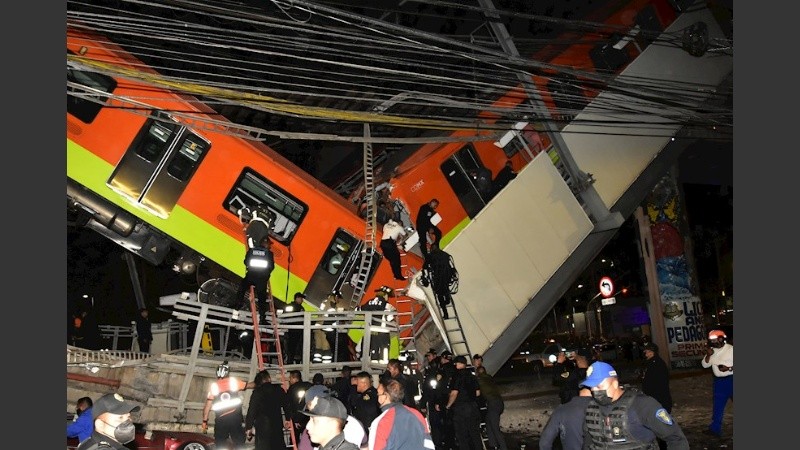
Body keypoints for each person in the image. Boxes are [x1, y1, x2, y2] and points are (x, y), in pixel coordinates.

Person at [580, 361, 689, 449]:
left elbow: (676, 439)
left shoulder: (642, 405)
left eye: (599, 386)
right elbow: (589, 441)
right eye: (591, 387)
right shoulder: (591, 408)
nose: (594, 391)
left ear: (615, 383)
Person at [202, 360, 254, 450]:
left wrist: (204, 422)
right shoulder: (233, 382)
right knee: (239, 443)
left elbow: (207, 407)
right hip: (235, 419)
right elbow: (249, 385)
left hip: (221, 421)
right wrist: (261, 383)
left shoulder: (214, 386)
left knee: (220, 444)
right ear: (227, 373)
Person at [369, 378, 434, 450]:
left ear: (385, 396)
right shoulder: (417, 414)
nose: (377, 397)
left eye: (378, 394)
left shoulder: (382, 421)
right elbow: (428, 444)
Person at [235, 205, 276, 314]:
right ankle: (262, 317)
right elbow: (271, 267)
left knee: (242, 288)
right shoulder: (271, 216)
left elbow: (243, 211)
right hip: (263, 278)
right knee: (262, 297)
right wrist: (266, 274)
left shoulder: (255, 208)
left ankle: (237, 305)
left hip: (252, 274)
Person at [245, 369, 291, 450]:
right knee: (278, 446)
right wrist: (287, 418)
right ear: (269, 379)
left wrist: (248, 427)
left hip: (263, 426)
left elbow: (252, 410)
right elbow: (287, 404)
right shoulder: (278, 389)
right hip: (277, 423)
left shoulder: (257, 392)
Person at [445, 355, 483, 450]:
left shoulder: (457, 376)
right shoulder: (472, 375)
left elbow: (454, 393)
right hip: (473, 407)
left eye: (456, 363)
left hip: (461, 408)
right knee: (475, 434)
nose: (455, 365)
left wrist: (448, 406)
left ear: (460, 364)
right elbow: (478, 393)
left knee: (462, 435)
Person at [700, 329, 733, 437]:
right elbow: (704, 365)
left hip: (732, 379)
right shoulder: (712, 351)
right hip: (719, 382)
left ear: (722, 338)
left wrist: (729, 368)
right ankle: (715, 429)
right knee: (718, 405)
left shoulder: (731, 349)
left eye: (715, 340)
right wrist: (709, 355)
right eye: (712, 340)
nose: (713, 342)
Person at [356, 286, 397, 363]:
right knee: (383, 356)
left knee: (372, 353)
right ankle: (381, 369)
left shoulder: (369, 302)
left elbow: (358, 309)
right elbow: (390, 318)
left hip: (371, 332)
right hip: (383, 333)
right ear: (385, 295)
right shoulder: (387, 305)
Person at [475, 366, 508, 450]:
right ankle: (493, 445)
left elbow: (477, 393)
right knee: (488, 421)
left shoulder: (479, 380)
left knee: (495, 428)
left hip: (493, 403)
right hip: (499, 403)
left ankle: (503, 447)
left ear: (478, 373)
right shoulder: (489, 378)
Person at [423, 244, 458, 319]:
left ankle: (445, 314)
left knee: (440, 295)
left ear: (431, 249)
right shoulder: (445, 254)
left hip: (439, 278)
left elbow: (425, 267)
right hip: (448, 276)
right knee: (445, 288)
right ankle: (447, 300)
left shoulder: (430, 256)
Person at [287, 370, 314, 443]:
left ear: (295, 378)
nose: (289, 380)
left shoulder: (292, 388)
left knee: (294, 440)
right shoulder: (309, 385)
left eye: (290, 378)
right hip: (310, 417)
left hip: (298, 418)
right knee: (309, 439)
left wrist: (295, 419)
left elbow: (291, 405)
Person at [350, 371, 381, 436]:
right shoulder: (373, 391)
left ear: (364, 383)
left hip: (368, 429)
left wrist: (353, 387)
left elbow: (354, 403)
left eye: (357, 383)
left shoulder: (367, 396)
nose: (356, 384)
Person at [284, 292, 308, 364]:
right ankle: (290, 362)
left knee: (297, 348)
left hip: (299, 331)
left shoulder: (302, 308)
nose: (302, 300)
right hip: (292, 331)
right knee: (291, 347)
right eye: (301, 298)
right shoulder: (291, 306)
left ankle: (295, 361)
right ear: (297, 298)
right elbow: (286, 315)